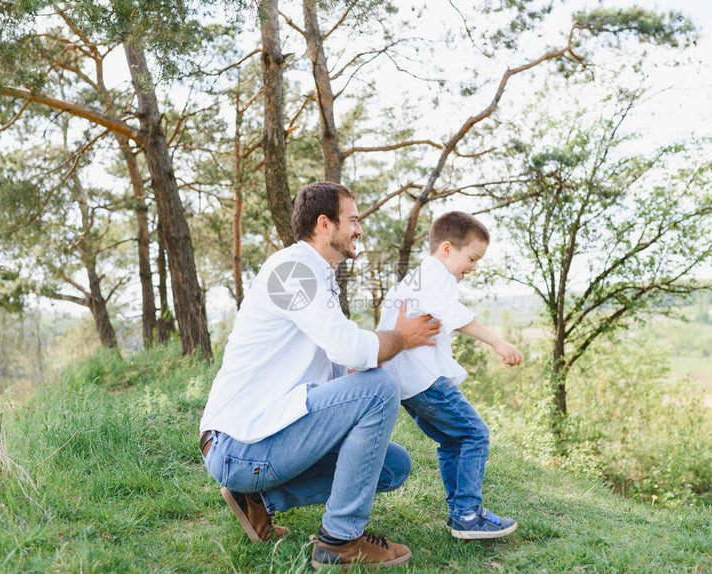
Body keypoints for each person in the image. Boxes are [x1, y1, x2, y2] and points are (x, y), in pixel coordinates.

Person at [199, 181, 440, 570]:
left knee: (394, 466)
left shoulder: (318, 277)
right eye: (353, 220)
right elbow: (347, 348)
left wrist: (399, 356)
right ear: (325, 224)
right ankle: (341, 541)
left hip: (262, 439)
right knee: (379, 390)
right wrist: (399, 338)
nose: (359, 229)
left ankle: (259, 502)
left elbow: (339, 370)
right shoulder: (292, 271)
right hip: (238, 445)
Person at [377, 210, 524, 539]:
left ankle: (460, 513)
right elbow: (456, 315)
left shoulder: (419, 277)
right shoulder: (434, 276)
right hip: (424, 379)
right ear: (447, 248)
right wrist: (498, 342)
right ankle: (468, 515)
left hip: (407, 382)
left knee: (450, 440)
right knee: (475, 434)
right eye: (471, 258)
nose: (472, 268)